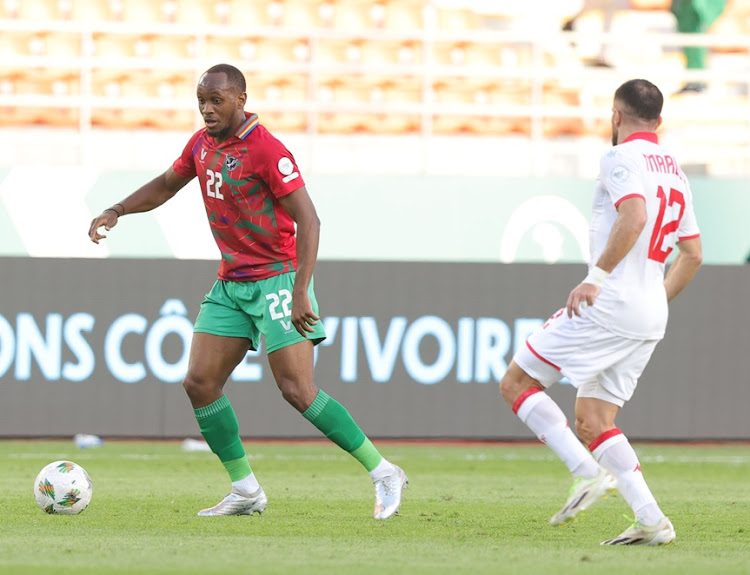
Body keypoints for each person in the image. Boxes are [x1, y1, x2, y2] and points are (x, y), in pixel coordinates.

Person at [88, 63, 407, 519]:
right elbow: (166, 185)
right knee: (199, 382)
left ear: (240, 98)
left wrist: (301, 291)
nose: (207, 109)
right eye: (201, 101)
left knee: (298, 390)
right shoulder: (201, 144)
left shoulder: (267, 149)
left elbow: (309, 221)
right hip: (231, 281)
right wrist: (117, 209)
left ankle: (383, 472)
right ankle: (246, 490)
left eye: (216, 100)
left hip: (276, 278)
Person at [499, 79, 702, 545]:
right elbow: (692, 253)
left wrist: (598, 277)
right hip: (650, 309)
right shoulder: (675, 171)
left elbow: (634, 216)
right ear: (659, 121)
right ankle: (652, 520)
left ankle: (585, 473)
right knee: (593, 418)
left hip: (610, 302)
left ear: (615, 116)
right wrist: (652, 300)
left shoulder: (618, 158)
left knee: (516, 382)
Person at [671, 0, 726, 93]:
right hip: (686, 11)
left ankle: (700, 81)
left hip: (699, 12)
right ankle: (692, 80)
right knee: (689, 46)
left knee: (699, 43)